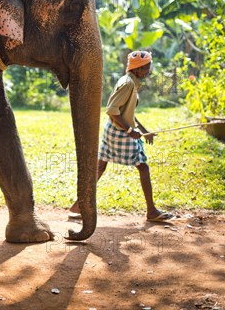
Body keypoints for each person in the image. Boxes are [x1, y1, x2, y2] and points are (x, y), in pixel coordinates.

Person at [68, 50, 174, 222]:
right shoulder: (127, 84)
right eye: (146, 67)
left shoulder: (131, 82)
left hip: (114, 130)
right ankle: (152, 211)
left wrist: (143, 129)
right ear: (138, 69)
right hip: (119, 133)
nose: (149, 70)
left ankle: (79, 205)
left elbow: (126, 111)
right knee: (143, 166)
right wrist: (130, 131)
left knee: (100, 167)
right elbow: (112, 111)